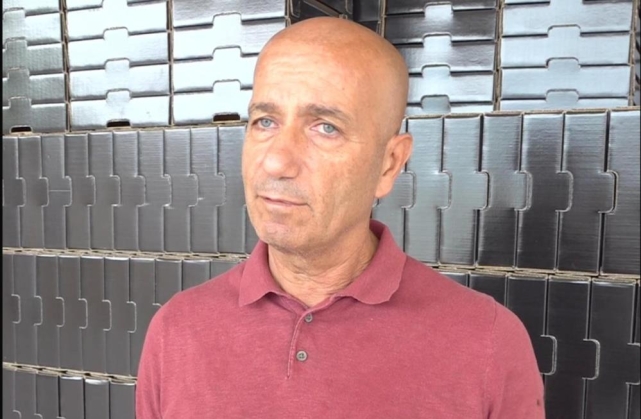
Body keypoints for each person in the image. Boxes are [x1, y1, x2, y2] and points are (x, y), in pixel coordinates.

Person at [136, 17, 544, 418]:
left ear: (389, 164)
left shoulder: (487, 342)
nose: (276, 161)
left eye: (325, 128)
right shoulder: (177, 330)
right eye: (265, 121)